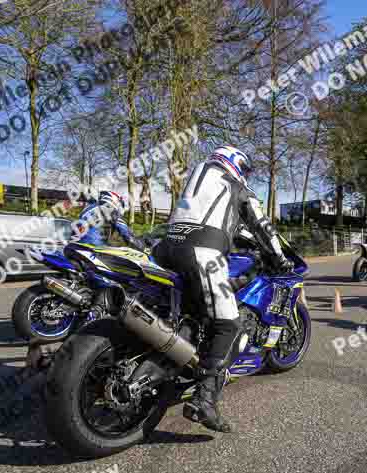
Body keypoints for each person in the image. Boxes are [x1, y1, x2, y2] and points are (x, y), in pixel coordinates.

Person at [153, 146, 292, 433]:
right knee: (229, 324)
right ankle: (204, 399)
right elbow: (262, 226)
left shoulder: (197, 175)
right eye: (245, 167)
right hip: (201, 251)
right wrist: (279, 259)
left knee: (193, 312)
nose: (246, 173)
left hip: (165, 249)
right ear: (236, 163)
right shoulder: (235, 184)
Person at [73, 191, 145, 250]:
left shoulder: (87, 209)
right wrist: (139, 244)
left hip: (78, 245)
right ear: (115, 200)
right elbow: (124, 230)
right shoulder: (109, 209)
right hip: (94, 246)